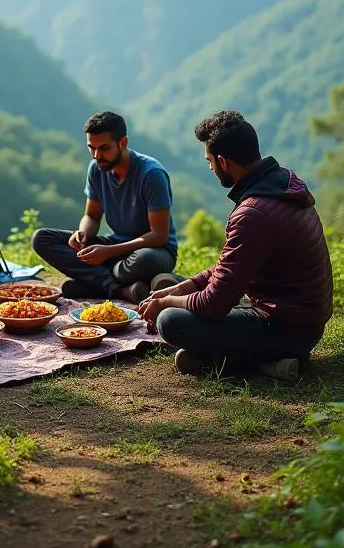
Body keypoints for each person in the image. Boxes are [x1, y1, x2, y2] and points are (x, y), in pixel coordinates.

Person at [138, 110, 333, 381]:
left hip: (287, 330)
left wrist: (166, 301)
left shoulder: (253, 213)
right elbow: (234, 265)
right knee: (184, 293)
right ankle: (244, 360)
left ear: (223, 162)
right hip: (302, 320)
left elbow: (214, 304)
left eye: (209, 161)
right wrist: (186, 286)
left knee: (170, 321)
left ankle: (253, 363)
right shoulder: (282, 184)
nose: (209, 168)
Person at [30, 110, 180, 302]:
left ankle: (92, 283)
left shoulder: (151, 174)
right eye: (91, 148)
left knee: (143, 261)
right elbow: (91, 216)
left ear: (123, 142)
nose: (96, 155)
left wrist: (108, 252)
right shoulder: (96, 169)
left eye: (104, 148)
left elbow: (159, 236)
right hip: (115, 247)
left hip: (153, 251)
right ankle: (122, 289)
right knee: (42, 238)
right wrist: (83, 233)